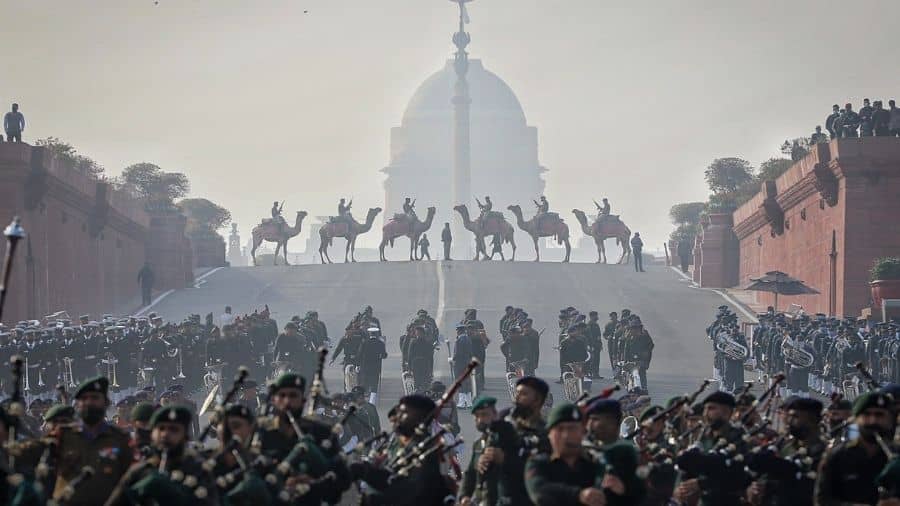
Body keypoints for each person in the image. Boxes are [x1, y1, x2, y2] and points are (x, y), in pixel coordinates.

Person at [525, 402, 644, 506]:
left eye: (572, 429)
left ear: (582, 432)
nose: (566, 435)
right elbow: (539, 492)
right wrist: (579, 495)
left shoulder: (598, 464)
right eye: (560, 429)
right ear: (549, 434)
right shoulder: (539, 463)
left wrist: (622, 492)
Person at [105, 405, 219, 506]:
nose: (165, 434)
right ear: (152, 433)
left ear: (185, 436)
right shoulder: (138, 472)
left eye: (174, 429)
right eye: (161, 428)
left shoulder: (199, 471)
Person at [815, 391, 894, 505]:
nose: (873, 421)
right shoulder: (838, 455)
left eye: (879, 415)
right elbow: (822, 500)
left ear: (890, 419)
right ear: (856, 419)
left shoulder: (894, 456)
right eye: (867, 415)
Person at [458, 396, 528, 506]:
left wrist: (504, 459)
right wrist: (464, 496)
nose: (480, 420)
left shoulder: (511, 439)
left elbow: (524, 468)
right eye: (477, 416)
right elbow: (470, 473)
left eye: (484, 415)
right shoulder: (478, 444)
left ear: (495, 415)